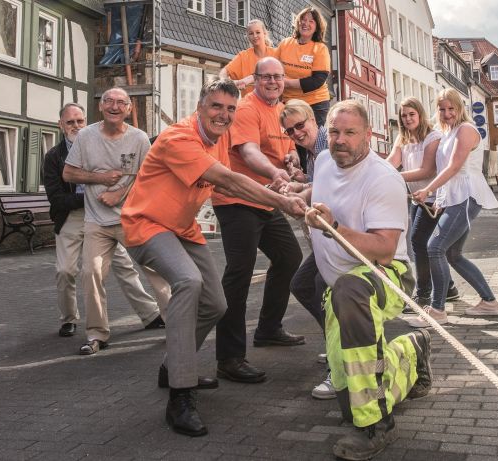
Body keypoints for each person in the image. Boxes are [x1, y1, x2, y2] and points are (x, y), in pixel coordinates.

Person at [120, 79, 306, 437]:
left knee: (216, 304)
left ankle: (173, 364)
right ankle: (180, 394)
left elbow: (230, 180)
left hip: (182, 227)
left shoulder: (219, 140)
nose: (224, 115)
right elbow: (226, 179)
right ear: (200, 106)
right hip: (146, 224)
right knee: (188, 282)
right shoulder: (179, 138)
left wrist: (278, 190)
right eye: (216, 106)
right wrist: (283, 203)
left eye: (231, 109)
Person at [304, 100, 432, 460]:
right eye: (334, 131)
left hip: (385, 276)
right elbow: (319, 193)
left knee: (350, 290)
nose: (340, 140)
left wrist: (332, 229)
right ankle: (412, 350)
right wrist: (296, 196)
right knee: (348, 396)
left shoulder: (383, 179)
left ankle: (376, 425)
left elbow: (384, 250)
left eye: (350, 133)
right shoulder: (324, 161)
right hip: (340, 286)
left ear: (369, 136)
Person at [211, 57, 305, 385]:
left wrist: (291, 162)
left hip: (265, 199)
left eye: (278, 77)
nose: (273, 82)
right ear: (255, 79)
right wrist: (275, 171)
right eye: (266, 77)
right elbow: (250, 151)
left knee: (289, 257)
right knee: (239, 272)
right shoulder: (248, 108)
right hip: (237, 198)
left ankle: (268, 329)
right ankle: (230, 357)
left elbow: (286, 149)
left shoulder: (281, 112)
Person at [43, 103, 168, 339]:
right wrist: (92, 193)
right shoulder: (53, 156)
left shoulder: (96, 142)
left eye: (80, 121)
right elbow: (56, 198)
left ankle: (150, 314)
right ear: (60, 125)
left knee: (125, 267)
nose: (76, 126)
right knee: (65, 270)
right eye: (70, 122)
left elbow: (127, 170)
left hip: (106, 213)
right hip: (73, 216)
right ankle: (69, 319)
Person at [408, 88, 498, 328]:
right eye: (442, 109)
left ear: (460, 108)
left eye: (451, 108)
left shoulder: (467, 130)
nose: (447, 113)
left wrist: (428, 190)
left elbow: (453, 167)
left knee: (435, 247)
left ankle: (437, 310)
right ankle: (489, 302)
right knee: (452, 254)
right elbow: (443, 171)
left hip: (467, 194)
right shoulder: (446, 132)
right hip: (453, 196)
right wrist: (439, 198)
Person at [279, 99, 332, 399]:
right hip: (325, 238)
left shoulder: (325, 146)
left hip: (340, 237)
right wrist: (301, 181)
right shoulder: (312, 152)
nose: (297, 133)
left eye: (301, 125)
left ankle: (340, 366)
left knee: (323, 289)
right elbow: (317, 181)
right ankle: (335, 343)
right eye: (290, 130)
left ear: (313, 119)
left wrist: (297, 191)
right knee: (302, 284)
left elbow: (326, 183)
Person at [386, 97, 460, 313]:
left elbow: (427, 170)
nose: (408, 119)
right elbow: (390, 163)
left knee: (419, 243)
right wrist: (375, 171)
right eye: (404, 115)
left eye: (412, 114)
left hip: (435, 198)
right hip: (418, 198)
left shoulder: (432, 137)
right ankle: (449, 289)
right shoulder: (402, 139)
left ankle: (424, 293)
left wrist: (392, 177)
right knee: (427, 246)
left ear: (420, 114)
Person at [276, 6, 331, 170]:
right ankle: (300, 177)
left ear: (317, 26)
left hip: (315, 103)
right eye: (303, 20)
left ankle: (316, 175)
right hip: (290, 103)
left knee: (312, 141)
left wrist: (285, 82)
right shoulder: (286, 44)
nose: (306, 24)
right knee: (293, 141)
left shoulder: (319, 48)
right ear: (297, 22)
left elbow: (317, 80)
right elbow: (273, 67)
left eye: (311, 21)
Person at [218, 19, 275, 97]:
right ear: (247, 36)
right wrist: (225, 82)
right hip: (250, 105)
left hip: (272, 102)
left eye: (258, 32)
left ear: (264, 33)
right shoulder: (243, 56)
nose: (255, 36)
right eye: (251, 33)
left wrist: (248, 80)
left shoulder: (275, 54)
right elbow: (224, 71)